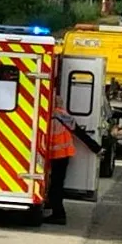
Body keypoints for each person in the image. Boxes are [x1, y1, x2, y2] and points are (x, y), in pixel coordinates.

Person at [45, 95, 76, 226]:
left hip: (56, 155)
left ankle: (59, 214)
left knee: (55, 187)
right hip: (65, 154)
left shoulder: (51, 116)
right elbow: (76, 130)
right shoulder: (65, 115)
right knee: (57, 185)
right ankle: (55, 209)